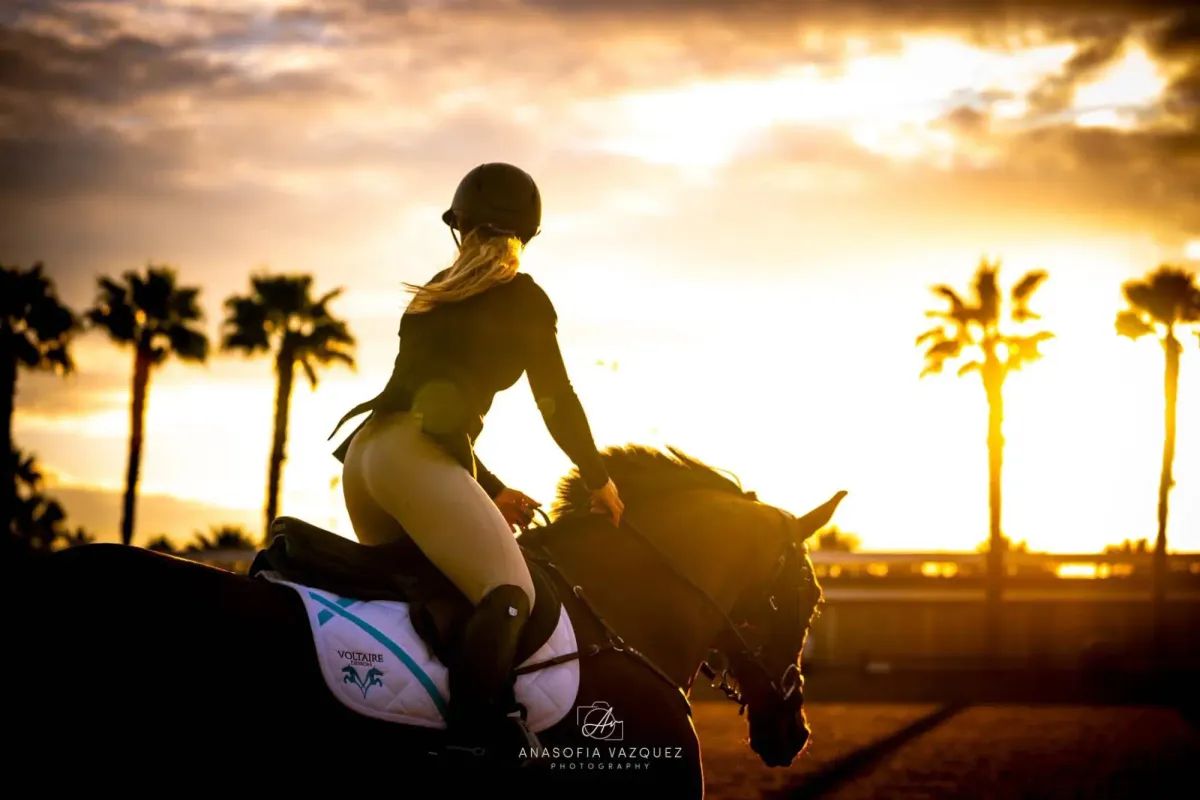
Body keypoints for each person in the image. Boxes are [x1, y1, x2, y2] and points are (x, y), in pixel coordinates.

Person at [327, 162, 624, 755]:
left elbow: (423, 406)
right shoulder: (523, 296)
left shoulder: (436, 292)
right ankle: (477, 747)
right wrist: (600, 480)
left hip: (368, 459)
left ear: (459, 227)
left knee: (430, 593)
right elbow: (556, 401)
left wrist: (488, 488)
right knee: (511, 592)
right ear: (529, 233)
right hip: (415, 457)